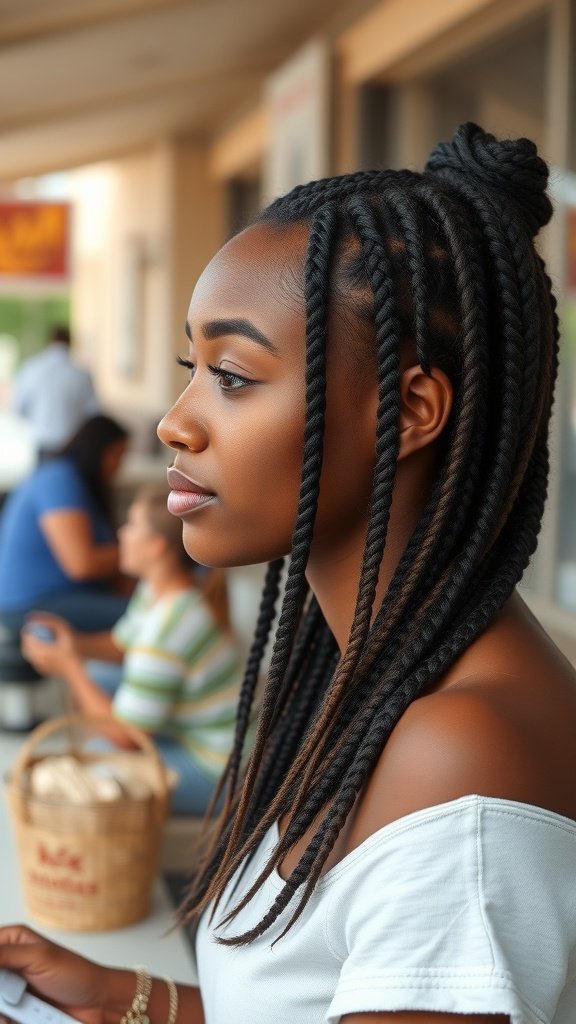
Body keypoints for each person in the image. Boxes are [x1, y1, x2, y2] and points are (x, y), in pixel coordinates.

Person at [1, 122, 576, 1024]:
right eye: (193, 367)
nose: (174, 424)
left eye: (231, 376)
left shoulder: (462, 756)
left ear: (410, 409)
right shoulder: (365, 673)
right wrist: (125, 998)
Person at [21, 486, 243, 816]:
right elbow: (123, 645)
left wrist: (70, 668)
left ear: (157, 546)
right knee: (98, 677)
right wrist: (73, 644)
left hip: (219, 771)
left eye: (132, 524)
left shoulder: (166, 629)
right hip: (208, 737)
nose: (121, 534)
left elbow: (127, 738)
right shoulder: (161, 590)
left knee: (98, 759)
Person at [0, 414, 129, 638]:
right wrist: (143, 550)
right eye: (117, 454)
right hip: (29, 605)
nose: (119, 465)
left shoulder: (80, 484)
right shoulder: (58, 479)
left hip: (63, 596)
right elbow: (81, 564)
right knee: (141, 619)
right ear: (97, 450)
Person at [11, 324, 100, 460]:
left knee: (46, 479)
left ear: (49, 342)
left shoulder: (31, 369)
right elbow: (93, 412)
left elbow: (19, 408)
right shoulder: (81, 373)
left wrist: (40, 421)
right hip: (72, 443)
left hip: (43, 441)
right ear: (70, 343)